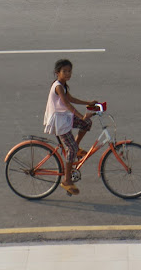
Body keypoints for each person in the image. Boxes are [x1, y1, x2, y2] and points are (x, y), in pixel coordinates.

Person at [44, 58, 97, 195]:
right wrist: (81, 116)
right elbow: (67, 104)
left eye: (69, 71)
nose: (68, 74)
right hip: (59, 121)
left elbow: (71, 99)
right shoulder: (58, 86)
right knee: (71, 148)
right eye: (64, 71)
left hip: (64, 117)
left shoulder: (63, 84)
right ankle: (67, 180)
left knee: (87, 124)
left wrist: (88, 102)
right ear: (57, 73)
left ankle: (76, 148)